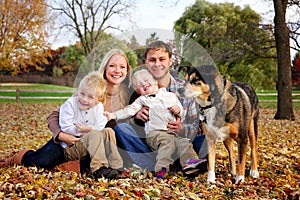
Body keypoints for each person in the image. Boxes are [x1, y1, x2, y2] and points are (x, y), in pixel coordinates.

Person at [0, 50, 130, 180]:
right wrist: (61, 135)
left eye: (122, 67)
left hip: (93, 146)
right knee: (40, 162)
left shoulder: (128, 95)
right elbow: (54, 116)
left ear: (127, 70)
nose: (117, 70)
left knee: (105, 133)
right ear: (105, 67)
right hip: (69, 140)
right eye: (112, 65)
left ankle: (111, 167)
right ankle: (15, 159)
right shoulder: (88, 90)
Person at [114, 41, 208, 176]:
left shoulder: (185, 89)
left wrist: (182, 127)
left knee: (205, 139)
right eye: (152, 60)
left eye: (162, 59)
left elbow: (196, 127)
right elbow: (127, 119)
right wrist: (136, 118)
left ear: (170, 61)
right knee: (121, 129)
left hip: (180, 143)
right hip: (152, 145)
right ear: (146, 63)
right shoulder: (138, 90)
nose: (157, 63)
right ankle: (159, 166)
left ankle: (186, 162)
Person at [59, 71, 123, 179]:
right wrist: (81, 131)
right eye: (82, 94)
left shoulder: (98, 107)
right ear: (78, 91)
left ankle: (116, 166)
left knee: (108, 131)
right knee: (95, 134)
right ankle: (98, 169)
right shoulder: (70, 104)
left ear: (98, 100)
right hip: (72, 145)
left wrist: (87, 129)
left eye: (90, 97)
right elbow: (65, 127)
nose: (84, 99)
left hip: (89, 142)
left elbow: (101, 125)